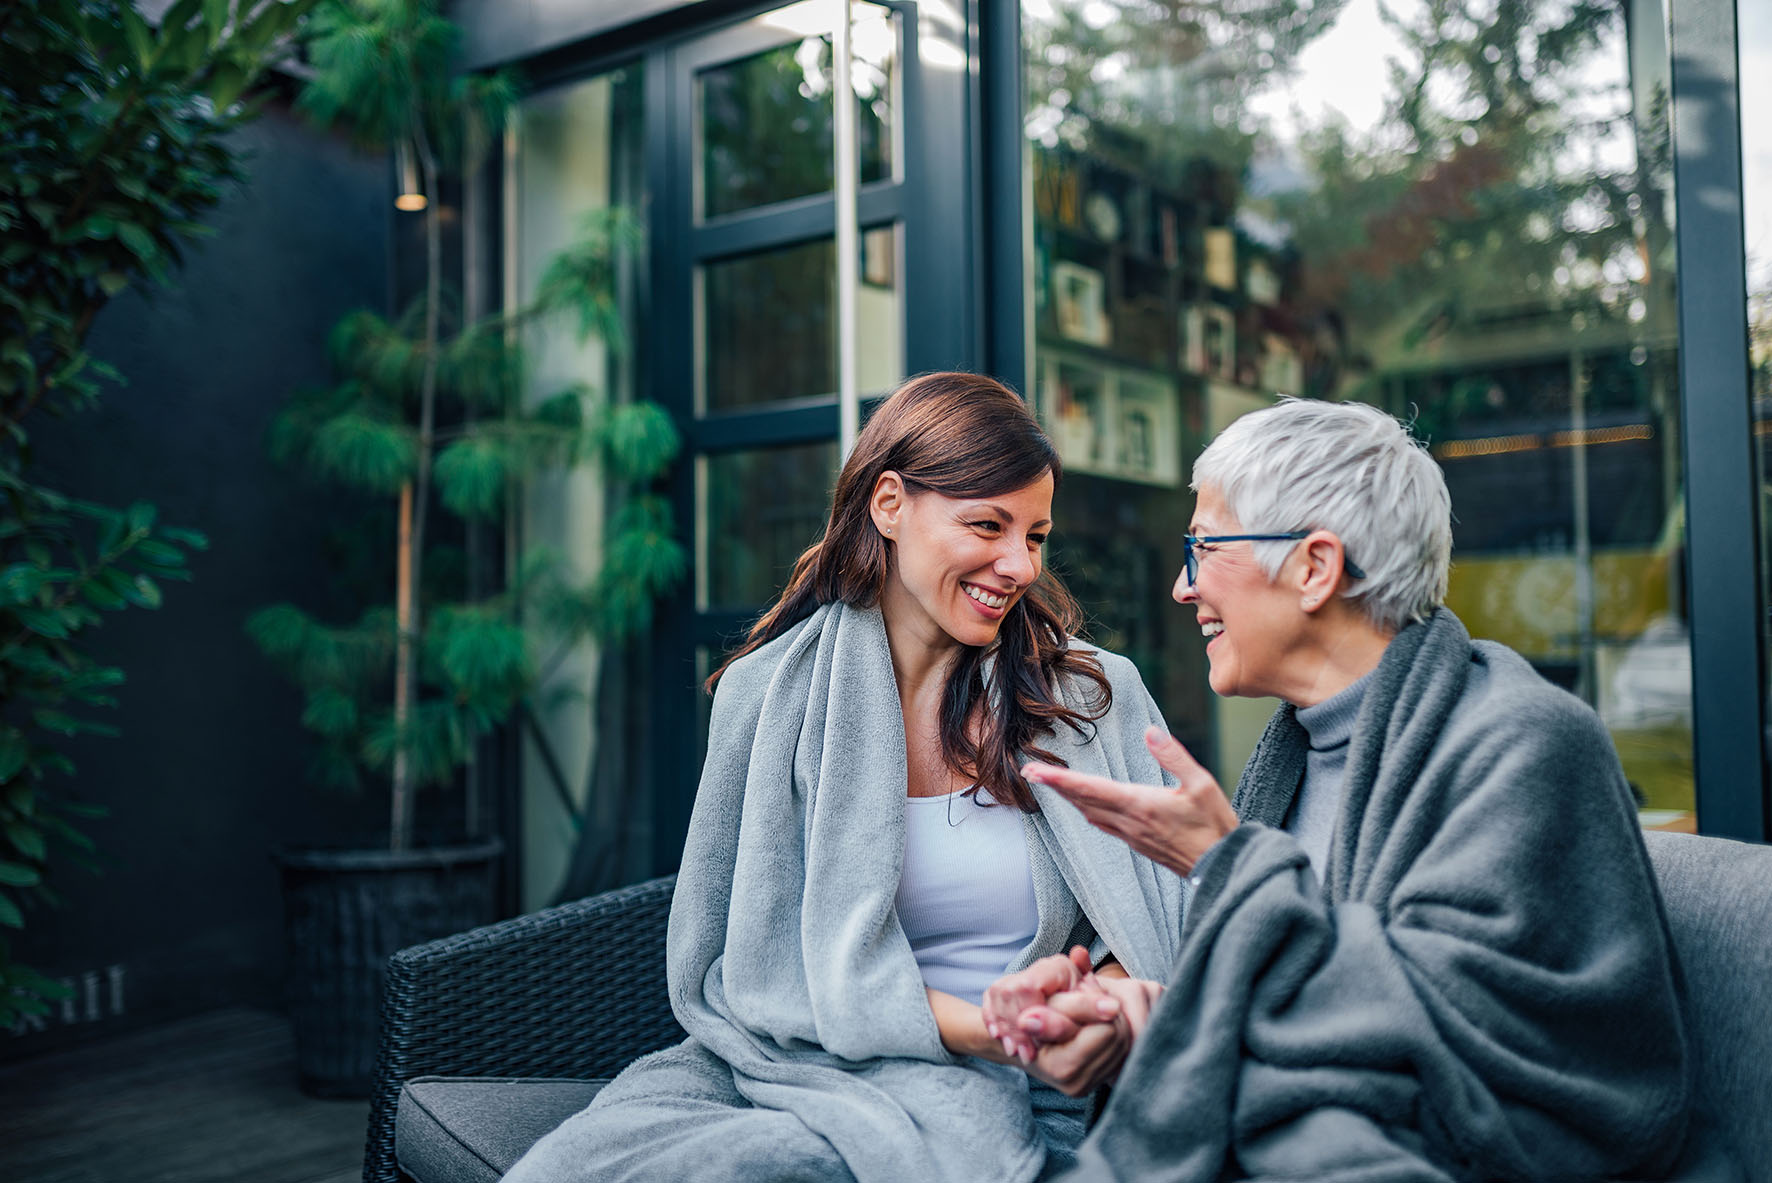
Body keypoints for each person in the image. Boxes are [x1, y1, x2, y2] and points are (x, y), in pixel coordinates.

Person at [985, 397, 1710, 1181]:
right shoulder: (1296, 751)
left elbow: (1449, 1042)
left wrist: (1229, 863)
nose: (1181, 588)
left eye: (1202, 549)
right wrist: (1134, 1017)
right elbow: (1292, 1001)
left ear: (1314, 567)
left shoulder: (1524, 742)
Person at [502, 373, 1187, 1183]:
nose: (1018, 565)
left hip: (1043, 1092)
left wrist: (1095, 1008)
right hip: (809, 1068)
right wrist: (996, 1026)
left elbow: (1162, 910)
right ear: (889, 504)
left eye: (1035, 536)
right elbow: (751, 969)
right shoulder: (770, 697)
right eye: (987, 525)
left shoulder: (1089, 698)